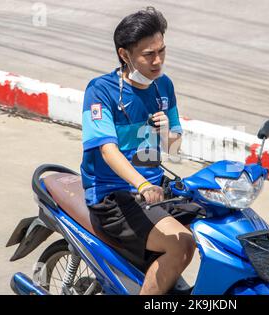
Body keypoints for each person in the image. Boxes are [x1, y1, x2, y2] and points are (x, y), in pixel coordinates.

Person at [80, 7, 195, 295]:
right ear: (125, 54)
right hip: (114, 198)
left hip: (153, 192)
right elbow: (107, 150)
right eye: (148, 54)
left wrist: (168, 131)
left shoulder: (163, 86)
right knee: (181, 243)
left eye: (162, 51)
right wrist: (142, 184)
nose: (158, 61)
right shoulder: (101, 91)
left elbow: (173, 147)